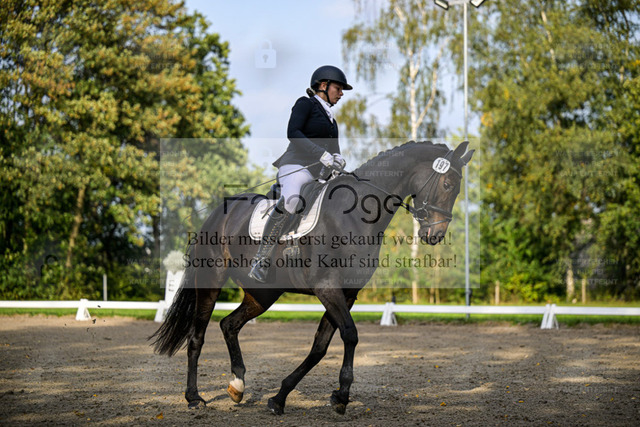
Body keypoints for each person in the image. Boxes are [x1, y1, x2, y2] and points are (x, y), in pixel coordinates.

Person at [248, 65, 353, 283]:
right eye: (338, 88)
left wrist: (338, 158)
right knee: (293, 200)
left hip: (320, 173)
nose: (341, 93)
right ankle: (261, 259)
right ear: (323, 86)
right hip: (296, 165)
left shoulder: (332, 120)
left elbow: (334, 148)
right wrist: (320, 154)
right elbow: (293, 133)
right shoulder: (305, 104)